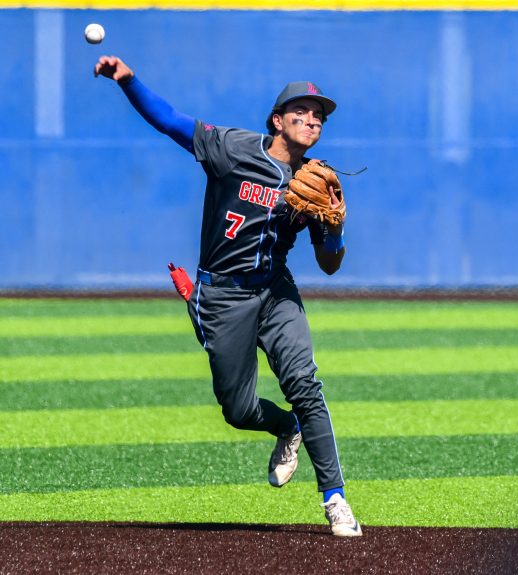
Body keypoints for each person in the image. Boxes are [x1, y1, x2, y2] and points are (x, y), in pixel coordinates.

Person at [94, 56, 362, 537]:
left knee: (305, 384)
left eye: (320, 114)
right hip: (223, 296)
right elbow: (169, 121)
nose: (313, 119)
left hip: (275, 292)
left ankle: (335, 497)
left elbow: (329, 261)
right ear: (278, 120)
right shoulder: (231, 148)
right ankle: (285, 428)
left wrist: (336, 229)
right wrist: (128, 81)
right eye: (301, 110)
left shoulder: (319, 182)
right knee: (237, 410)